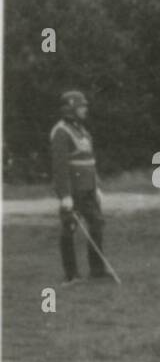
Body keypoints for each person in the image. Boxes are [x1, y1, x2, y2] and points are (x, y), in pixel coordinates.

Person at [50, 90, 108, 284]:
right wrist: (64, 195)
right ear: (71, 108)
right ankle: (71, 274)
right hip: (74, 191)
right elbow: (60, 167)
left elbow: (90, 161)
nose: (85, 110)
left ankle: (97, 270)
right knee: (70, 228)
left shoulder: (82, 130)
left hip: (88, 189)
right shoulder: (61, 132)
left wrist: (96, 186)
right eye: (81, 106)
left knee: (97, 224)